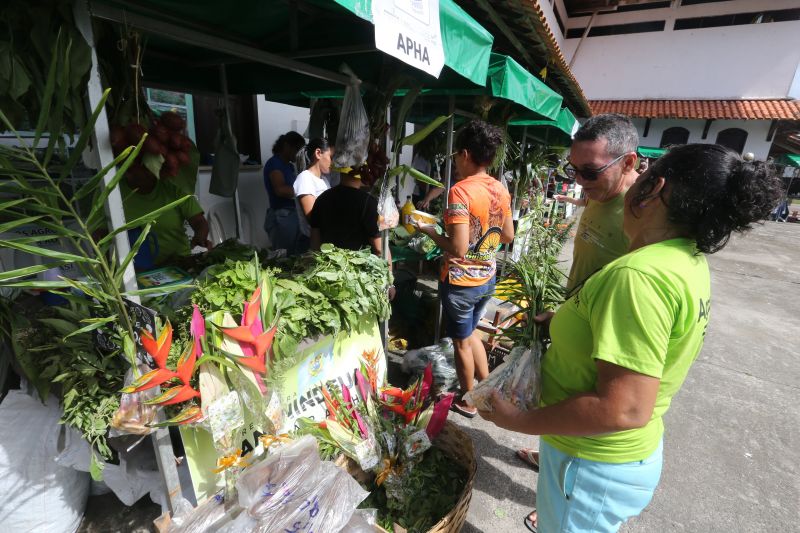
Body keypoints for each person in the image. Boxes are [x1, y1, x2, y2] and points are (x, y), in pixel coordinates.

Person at [479, 144, 782, 533]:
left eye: (644, 175)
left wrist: (521, 421)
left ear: (654, 188)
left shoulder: (639, 277)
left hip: (590, 463)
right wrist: (571, 324)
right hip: (613, 458)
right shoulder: (683, 260)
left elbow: (624, 408)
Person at [518, 114, 639, 471]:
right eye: (573, 170)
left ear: (628, 162)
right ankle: (553, 460)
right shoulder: (598, 192)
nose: (579, 182)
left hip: (602, 335)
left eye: (589, 171)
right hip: (576, 317)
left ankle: (566, 489)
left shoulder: (642, 215)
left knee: (585, 412)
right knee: (562, 399)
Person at [415, 120, 514, 418]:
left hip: (462, 281)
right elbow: (507, 235)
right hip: (487, 277)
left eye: (457, 155)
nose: (456, 161)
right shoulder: (499, 188)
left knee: (461, 343)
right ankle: (488, 389)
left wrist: (429, 230)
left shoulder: (460, 192)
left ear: (466, 154)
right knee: (472, 335)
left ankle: (469, 401)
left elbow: (457, 248)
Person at [96, 166, 212, 267]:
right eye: (141, 166)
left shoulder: (173, 186)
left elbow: (199, 222)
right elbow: (99, 236)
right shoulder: (111, 193)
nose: (149, 171)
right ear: (127, 168)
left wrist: (199, 237)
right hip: (133, 271)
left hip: (179, 264)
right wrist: (108, 271)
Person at [264, 131, 305, 254]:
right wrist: (304, 191)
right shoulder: (274, 163)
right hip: (282, 216)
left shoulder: (289, 166)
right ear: (287, 146)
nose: (299, 154)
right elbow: (280, 190)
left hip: (293, 214)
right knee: (283, 257)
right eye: (297, 149)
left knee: (295, 255)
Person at [293, 138, 332, 253]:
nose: (333, 162)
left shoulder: (324, 180)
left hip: (323, 241)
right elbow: (312, 217)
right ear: (318, 153)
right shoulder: (305, 178)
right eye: (331, 157)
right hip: (309, 243)